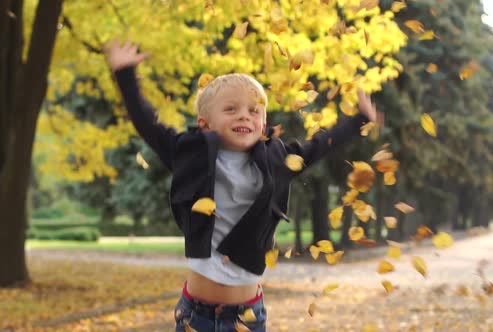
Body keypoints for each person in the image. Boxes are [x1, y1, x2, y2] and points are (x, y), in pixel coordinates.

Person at [104, 40, 379, 332]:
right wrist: (125, 75)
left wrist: (359, 119)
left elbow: (318, 146)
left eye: (253, 110)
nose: (244, 115)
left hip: (249, 315)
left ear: (262, 125)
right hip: (196, 315)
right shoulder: (190, 153)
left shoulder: (277, 159)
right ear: (205, 123)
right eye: (231, 109)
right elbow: (149, 126)